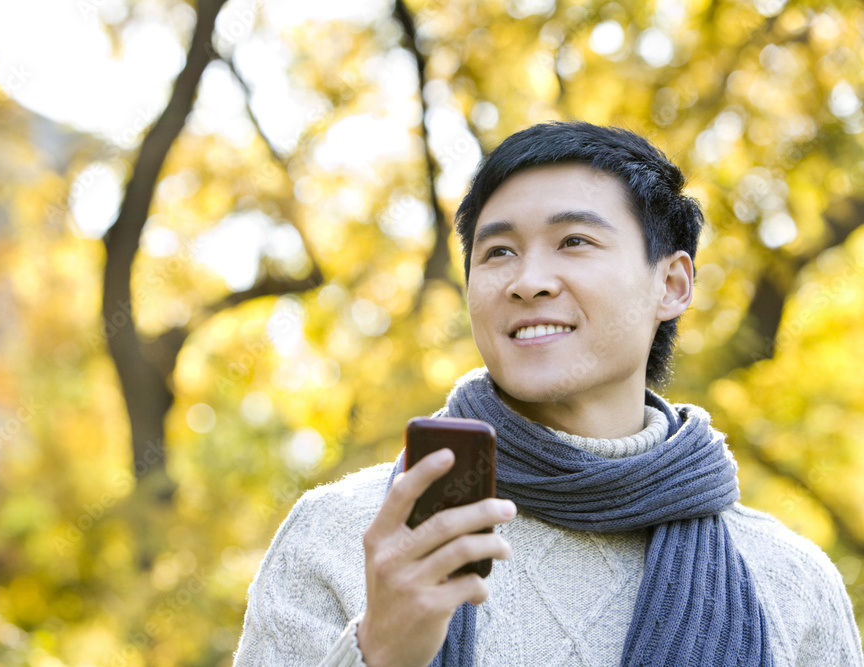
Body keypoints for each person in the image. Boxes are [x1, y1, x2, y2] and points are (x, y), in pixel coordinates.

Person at [232, 122, 863, 666]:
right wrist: (380, 650)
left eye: (574, 242)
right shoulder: (346, 535)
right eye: (499, 251)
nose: (528, 281)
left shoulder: (788, 580)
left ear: (671, 283)